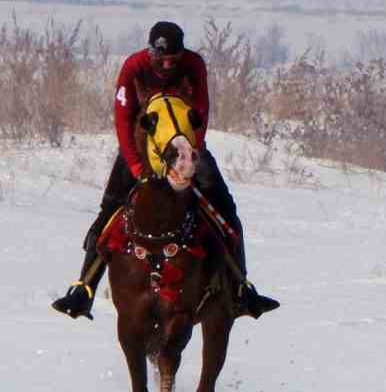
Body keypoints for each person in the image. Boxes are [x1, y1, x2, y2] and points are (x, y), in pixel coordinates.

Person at [51, 21, 279, 320]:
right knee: (109, 210)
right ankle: (84, 290)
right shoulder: (134, 67)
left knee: (225, 209)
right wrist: (134, 165)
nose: (169, 65)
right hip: (141, 148)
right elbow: (122, 120)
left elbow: (200, 113)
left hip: (186, 148)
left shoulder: (194, 64)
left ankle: (241, 289)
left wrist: (191, 155)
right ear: (151, 53)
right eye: (163, 59)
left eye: (174, 59)